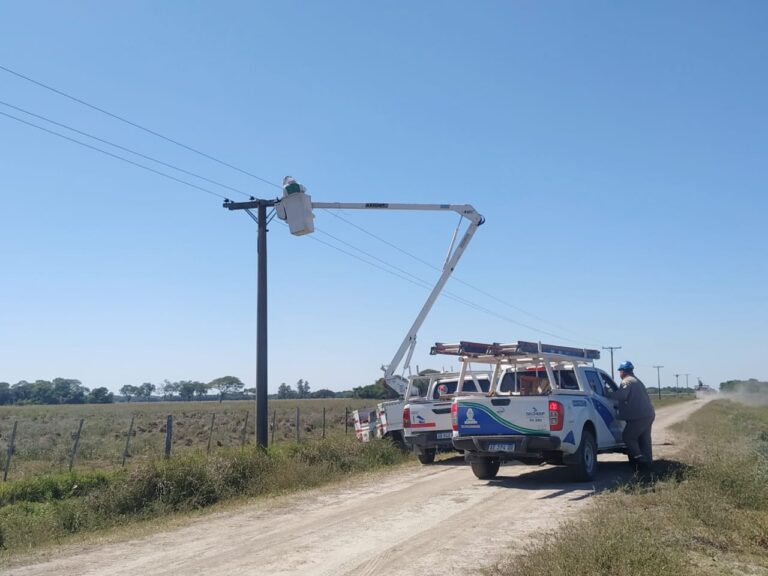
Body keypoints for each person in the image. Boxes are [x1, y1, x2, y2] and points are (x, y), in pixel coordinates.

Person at [607, 361, 655, 468]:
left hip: (639, 417)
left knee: (628, 437)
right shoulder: (636, 380)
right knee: (645, 439)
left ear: (623, 371)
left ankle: (639, 459)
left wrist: (608, 394)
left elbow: (622, 396)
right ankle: (648, 463)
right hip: (648, 414)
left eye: (620, 371)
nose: (620, 374)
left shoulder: (627, 381)